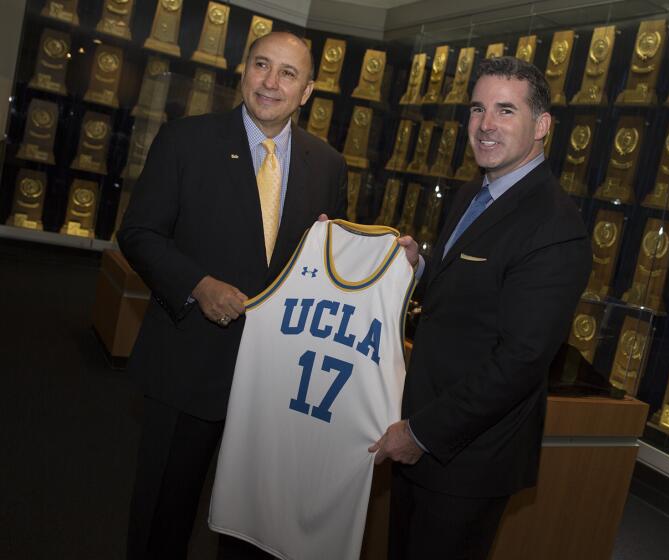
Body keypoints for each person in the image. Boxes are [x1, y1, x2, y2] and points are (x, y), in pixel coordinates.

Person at [118, 31, 348, 559]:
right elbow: (139, 233)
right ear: (242, 70)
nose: (270, 82)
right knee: (162, 520)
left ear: (307, 90)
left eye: (287, 73)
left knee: (253, 530)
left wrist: (389, 261)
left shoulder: (329, 166)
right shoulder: (185, 140)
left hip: (276, 384)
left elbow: (328, 262)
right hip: (188, 363)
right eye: (261, 65)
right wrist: (197, 286)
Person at [370, 56, 592, 559]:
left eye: (505, 110)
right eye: (477, 109)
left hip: (466, 457)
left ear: (542, 126)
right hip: (421, 433)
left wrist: (422, 433)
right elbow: (469, 298)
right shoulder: (474, 193)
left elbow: (520, 360)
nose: (486, 125)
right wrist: (420, 268)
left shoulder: (555, 227)